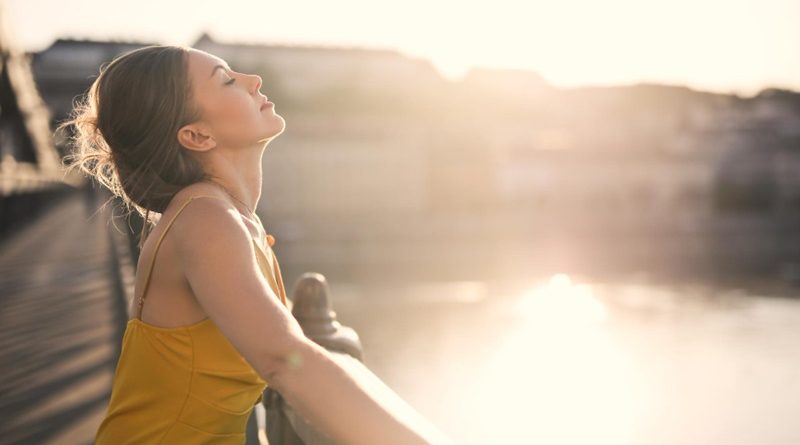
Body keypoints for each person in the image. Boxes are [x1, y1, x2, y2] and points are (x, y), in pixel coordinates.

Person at [58, 45, 440, 445]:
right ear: (197, 135)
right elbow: (284, 360)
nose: (253, 80)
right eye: (227, 80)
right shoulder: (205, 219)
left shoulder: (227, 218)